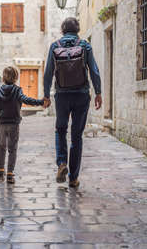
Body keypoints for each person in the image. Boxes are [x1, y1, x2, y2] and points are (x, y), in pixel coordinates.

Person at [43, 17, 102, 188]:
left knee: (60, 130)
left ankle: (62, 162)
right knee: (76, 136)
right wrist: (98, 92)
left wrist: (47, 95)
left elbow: (48, 73)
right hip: (81, 95)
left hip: (61, 95)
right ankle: (73, 178)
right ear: (77, 30)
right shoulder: (84, 45)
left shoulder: (55, 46)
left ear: (62, 30)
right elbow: (94, 70)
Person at [0, 66, 44, 184]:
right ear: (16, 78)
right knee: (12, 149)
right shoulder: (17, 91)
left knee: (2, 146)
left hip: (1, 123)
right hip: (13, 123)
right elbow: (26, 100)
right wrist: (40, 102)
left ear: (3, 78)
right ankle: (10, 174)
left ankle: (1, 170)